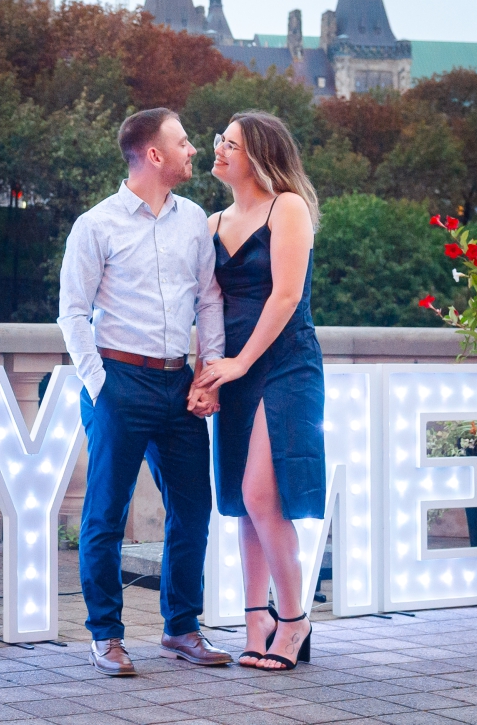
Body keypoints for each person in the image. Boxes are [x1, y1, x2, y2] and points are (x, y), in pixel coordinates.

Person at [58, 108, 232, 677]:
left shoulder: (194, 222)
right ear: (153, 155)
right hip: (118, 380)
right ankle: (106, 635)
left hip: (177, 381)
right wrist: (99, 383)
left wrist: (206, 373)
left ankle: (181, 629)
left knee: (193, 509)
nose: (193, 151)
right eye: (183, 142)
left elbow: (208, 302)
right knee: (105, 514)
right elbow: (73, 313)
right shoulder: (96, 225)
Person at [189, 111, 325, 672]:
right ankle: (255, 620)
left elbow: (286, 296)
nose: (218, 150)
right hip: (234, 369)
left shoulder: (287, 207)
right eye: (220, 140)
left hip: (284, 364)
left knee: (263, 495)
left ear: (260, 156)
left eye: (232, 144)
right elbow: (207, 306)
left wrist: (241, 363)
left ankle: (294, 622)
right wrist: (207, 375)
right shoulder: (214, 220)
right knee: (243, 503)